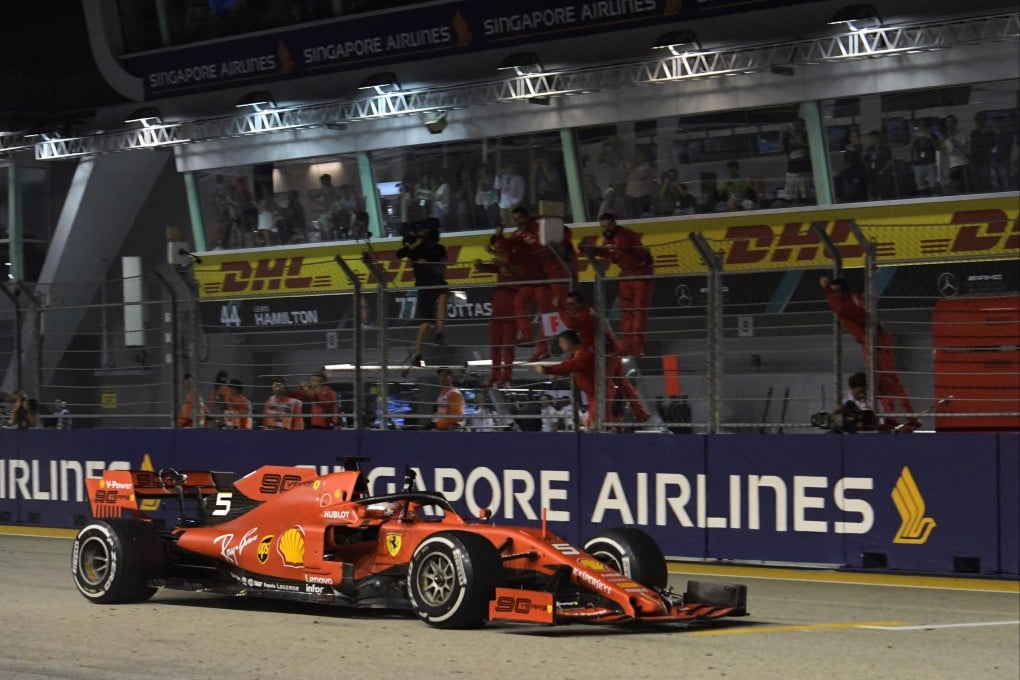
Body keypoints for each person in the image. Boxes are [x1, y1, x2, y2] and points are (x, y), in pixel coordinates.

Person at [819, 276, 919, 431]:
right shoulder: (853, 300)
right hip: (870, 341)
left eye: (838, 292)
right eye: (834, 293)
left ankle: (910, 419)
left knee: (890, 380)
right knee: (881, 383)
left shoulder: (852, 303)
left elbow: (840, 310)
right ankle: (892, 419)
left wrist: (826, 290)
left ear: (846, 292)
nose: (835, 296)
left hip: (876, 341)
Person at [589, 213, 654, 357]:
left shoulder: (625, 235)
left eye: (609, 225)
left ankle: (637, 348)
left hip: (640, 272)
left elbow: (618, 249)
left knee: (638, 311)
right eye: (603, 226)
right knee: (625, 311)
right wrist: (593, 250)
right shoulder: (609, 239)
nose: (606, 229)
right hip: (626, 274)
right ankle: (626, 345)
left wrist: (597, 250)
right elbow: (611, 254)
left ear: (615, 224)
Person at [495, 207, 552, 361]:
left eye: (520, 217)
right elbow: (509, 249)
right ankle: (526, 335)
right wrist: (499, 239)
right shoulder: (516, 235)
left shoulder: (538, 227)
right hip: (530, 280)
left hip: (544, 280)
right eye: (515, 219)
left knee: (545, 314)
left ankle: (544, 348)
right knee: (519, 302)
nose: (518, 221)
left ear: (527, 216)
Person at [397, 219, 449, 373]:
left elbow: (443, 268)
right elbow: (400, 254)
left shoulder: (439, 248)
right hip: (423, 286)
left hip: (437, 282)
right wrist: (416, 243)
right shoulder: (415, 249)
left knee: (442, 297)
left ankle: (439, 332)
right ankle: (418, 354)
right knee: (425, 323)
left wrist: (428, 264)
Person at [475, 236, 520, 387]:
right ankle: (495, 376)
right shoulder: (501, 263)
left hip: (511, 308)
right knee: (495, 346)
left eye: (501, 248)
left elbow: (512, 268)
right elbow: (484, 268)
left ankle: (505, 377)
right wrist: (478, 264)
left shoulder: (517, 261)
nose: (499, 251)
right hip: (498, 308)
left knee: (507, 346)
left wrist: (495, 257)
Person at [535, 330, 595, 429]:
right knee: (594, 425)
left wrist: (547, 369)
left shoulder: (583, 354)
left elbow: (572, 365)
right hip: (592, 393)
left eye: (561, 342)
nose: (560, 345)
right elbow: (572, 365)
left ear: (567, 342)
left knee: (594, 426)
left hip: (596, 394)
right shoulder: (579, 353)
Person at [783, 119, 812, 204]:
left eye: (800, 124)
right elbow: (784, 149)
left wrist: (793, 135)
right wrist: (781, 134)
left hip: (804, 167)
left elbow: (808, 145)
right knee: (790, 195)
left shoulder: (806, 135)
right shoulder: (788, 135)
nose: (797, 126)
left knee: (805, 195)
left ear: (804, 125)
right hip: (792, 168)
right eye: (796, 124)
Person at [908, 119, 939, 196]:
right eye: (920, 125)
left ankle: (935, 198)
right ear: (918, 127)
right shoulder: (915, 136)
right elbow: (910, 148)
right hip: (919, 164)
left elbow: (938, 147)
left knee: (932, 184)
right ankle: (923, 198)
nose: (922, 127)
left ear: (926, 126)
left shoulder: (932, 135)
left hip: (930, 162)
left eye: (923, 125)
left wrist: (930, 138)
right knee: (920, 184)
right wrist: (914, 139)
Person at [941, 114, 970, 194]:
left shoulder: (962, 134)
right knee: (955, 187)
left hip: (962, 164)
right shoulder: (945, 137)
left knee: (964, 187)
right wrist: (942, 143)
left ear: (955, 123)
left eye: (950, 122)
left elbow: (966, 151)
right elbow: (943, 152)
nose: (948, 124)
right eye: (947, 122)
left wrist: (955, 142)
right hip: (951, 166)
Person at [838, 129, 867, 202]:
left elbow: (861, 160)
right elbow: (847, 160)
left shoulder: (861, 146)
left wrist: (854, 150)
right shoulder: (847, 148)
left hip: (859, 171)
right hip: (850, 172)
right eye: (852, 136)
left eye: (855, 136)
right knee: (839, 178)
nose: (853, 138)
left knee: (857, 186)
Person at [864, 130, 893, 200]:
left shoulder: (885, 148)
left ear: (878, 138)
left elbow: (890, 161)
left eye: (872, 138)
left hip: (882, 172)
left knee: (883, 191)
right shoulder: (869, 149)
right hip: (872, 172)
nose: (871, 140)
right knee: (873, 192)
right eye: (870, 138)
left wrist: (883, 170)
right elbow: (865, 160)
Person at [989, 116, 1015, 191]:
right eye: (995, 122)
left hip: (1003, 160)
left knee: (1006, 180)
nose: (996, 124)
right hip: (993, 161)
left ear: (1003, 123)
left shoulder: (1008, 133)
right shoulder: (991, 134)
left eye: (998, 122)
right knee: (995, 181)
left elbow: (1007, 146)